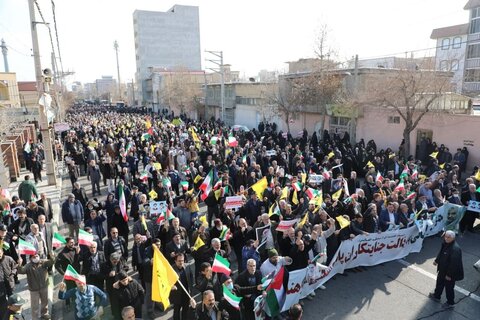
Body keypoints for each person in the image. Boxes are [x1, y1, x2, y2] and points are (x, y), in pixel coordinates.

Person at [428, 230, 464, 308]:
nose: (446, 238)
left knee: (449, 288)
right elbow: (441, 253)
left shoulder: (455, 249)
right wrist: (437, 260)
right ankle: (437, 296)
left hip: (450, 273)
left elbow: (455, 264)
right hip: (442, 269)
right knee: (439, 283)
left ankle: (450, 303)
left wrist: (449, 275)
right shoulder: (445, 243)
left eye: (449, 237)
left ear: (453, 238)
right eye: (445, 237)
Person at [17, 253, 54, 320]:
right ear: (31, 259)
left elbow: (51, 262)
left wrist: (52, 257)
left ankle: (44, 314)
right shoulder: (28, 266)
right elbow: (21, 271)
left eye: (37, 256)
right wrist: (19, 264)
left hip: (44, 286)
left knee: (45, 302)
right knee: (35, 305)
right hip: (34, 289)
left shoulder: (43, 262)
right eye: (34, 257)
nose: (36, 258)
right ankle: (35, 318)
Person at [170, 253, 194, 320]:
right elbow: (167, 281)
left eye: (182, 260)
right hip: (177, 296)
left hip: (186, 294)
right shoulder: (171, 269)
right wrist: (171, 286)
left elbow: (191, 279)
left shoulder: (187, 266)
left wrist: (191, 292)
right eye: (179, 261)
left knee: (185, 312)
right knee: (176, 313)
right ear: (175, 261)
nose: (181, 262)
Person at [0, 248, 16, 316]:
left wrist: (12, 274)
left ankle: (13, 311)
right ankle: (5, 313)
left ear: (2, 252)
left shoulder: (9, 259)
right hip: (1, 284)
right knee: (3, 300)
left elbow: (15, 267)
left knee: (11, 297)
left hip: (10, 282)